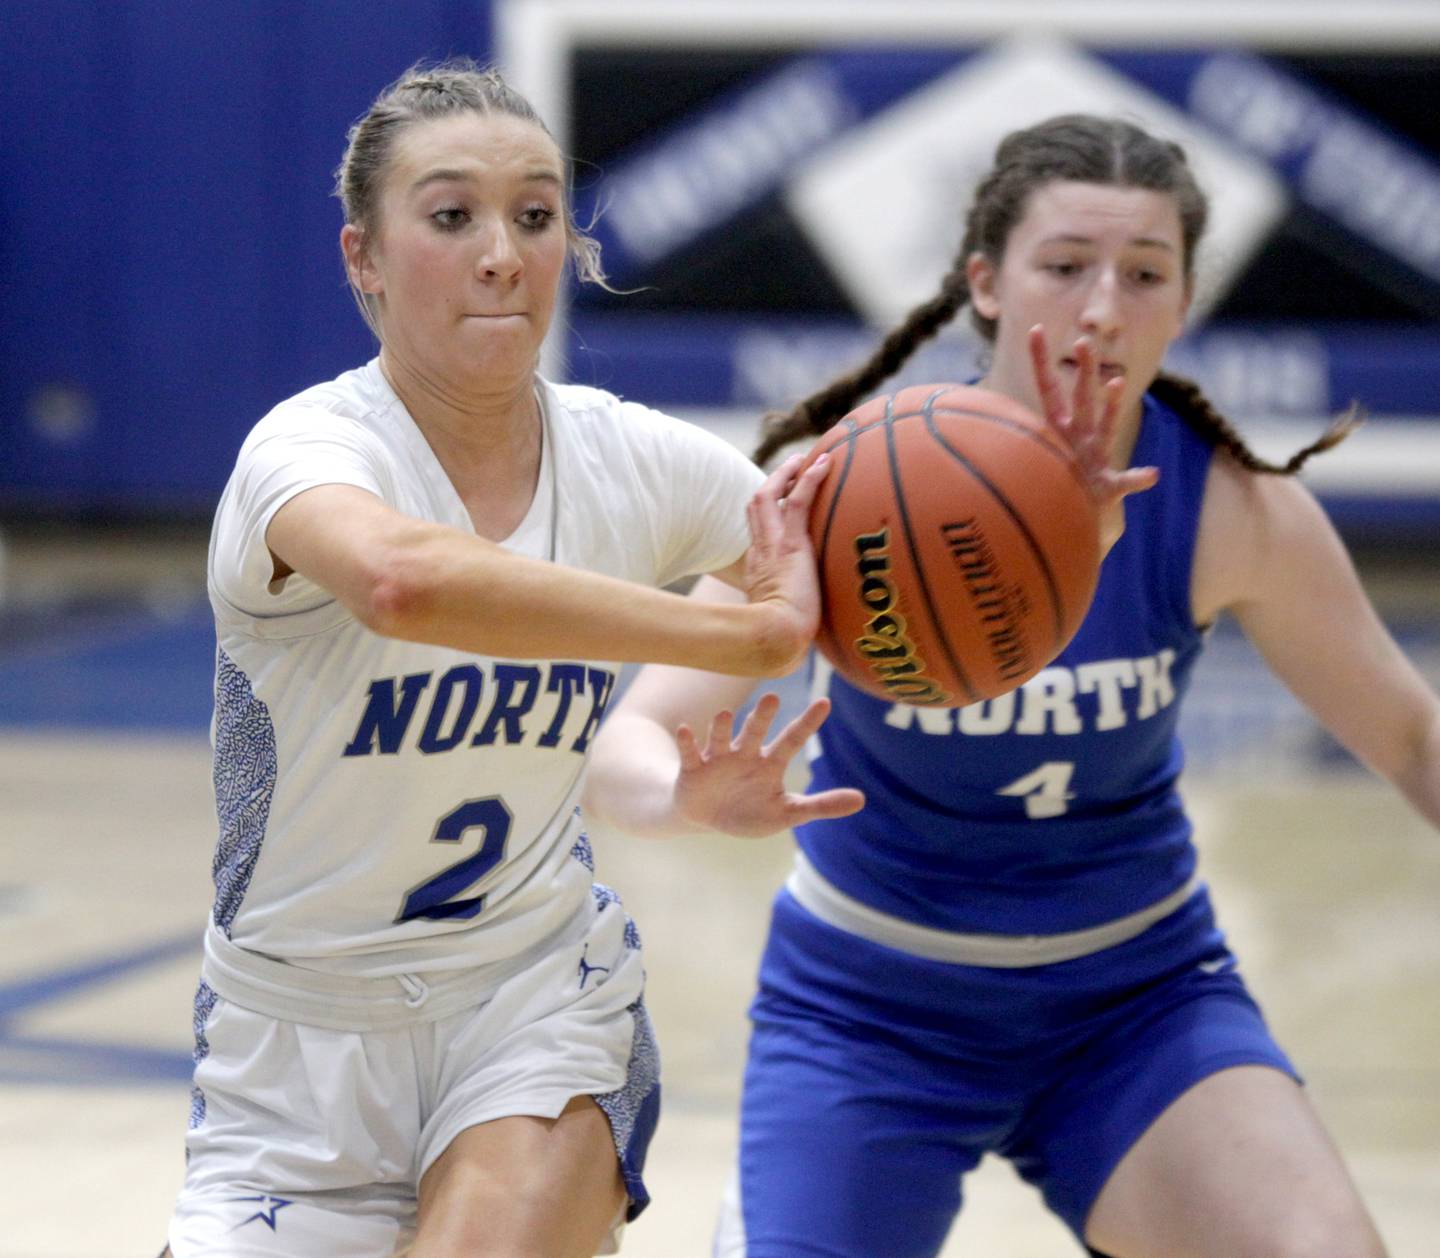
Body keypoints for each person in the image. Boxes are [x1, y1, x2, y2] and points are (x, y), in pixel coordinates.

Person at [583, 114, 1440, 1258]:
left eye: (1144, 275)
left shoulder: (1233, 510)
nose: (1101, 308)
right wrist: (688, 801)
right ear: (985, 284)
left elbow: (1412, 741)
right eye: (1065, 266)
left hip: (1137, 1002)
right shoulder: (850, 492)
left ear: (1184, 304)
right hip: (870, 1011)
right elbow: (618, 748)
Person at [161, 59, 839, 1258]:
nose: (502, 252)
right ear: (362, 258)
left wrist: (1059, 521)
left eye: (535, 215)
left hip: (531, 1004)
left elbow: (830, 570)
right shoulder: (307, 450)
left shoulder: (634, 459)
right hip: (292, 1054)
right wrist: (728, 632)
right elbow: (403, 582)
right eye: (451, 214)